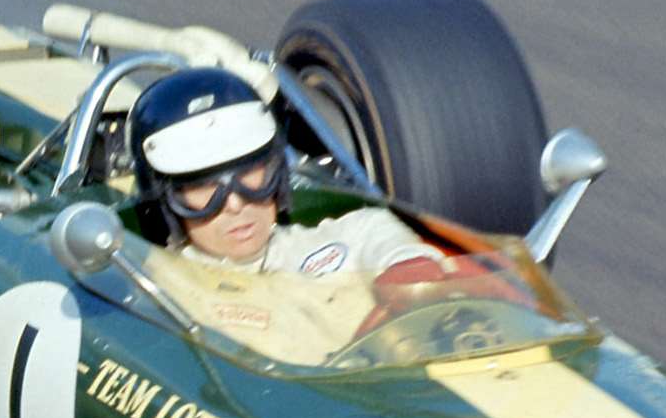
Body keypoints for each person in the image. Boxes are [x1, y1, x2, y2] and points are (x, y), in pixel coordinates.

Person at [126, 66, 437, 276]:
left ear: (277, 176)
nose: (235, 203)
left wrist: (406, 265)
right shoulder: (159, 286)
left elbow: (372, 228)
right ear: (167, 205)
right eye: (205, 187)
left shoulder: (311, 249)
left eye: (248, 176)